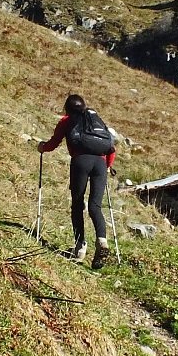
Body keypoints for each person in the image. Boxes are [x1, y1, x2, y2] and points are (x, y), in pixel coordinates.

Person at [38, 94, 116, 268]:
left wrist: (42, 147)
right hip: (100, 164)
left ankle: (80, 247)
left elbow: (53, 143)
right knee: (95, 205)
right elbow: (111, 148)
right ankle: (102, 241)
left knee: (77, 204)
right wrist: (108, 166)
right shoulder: (94, 119)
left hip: (81, 162)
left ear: (67, 108)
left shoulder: (66, 121)